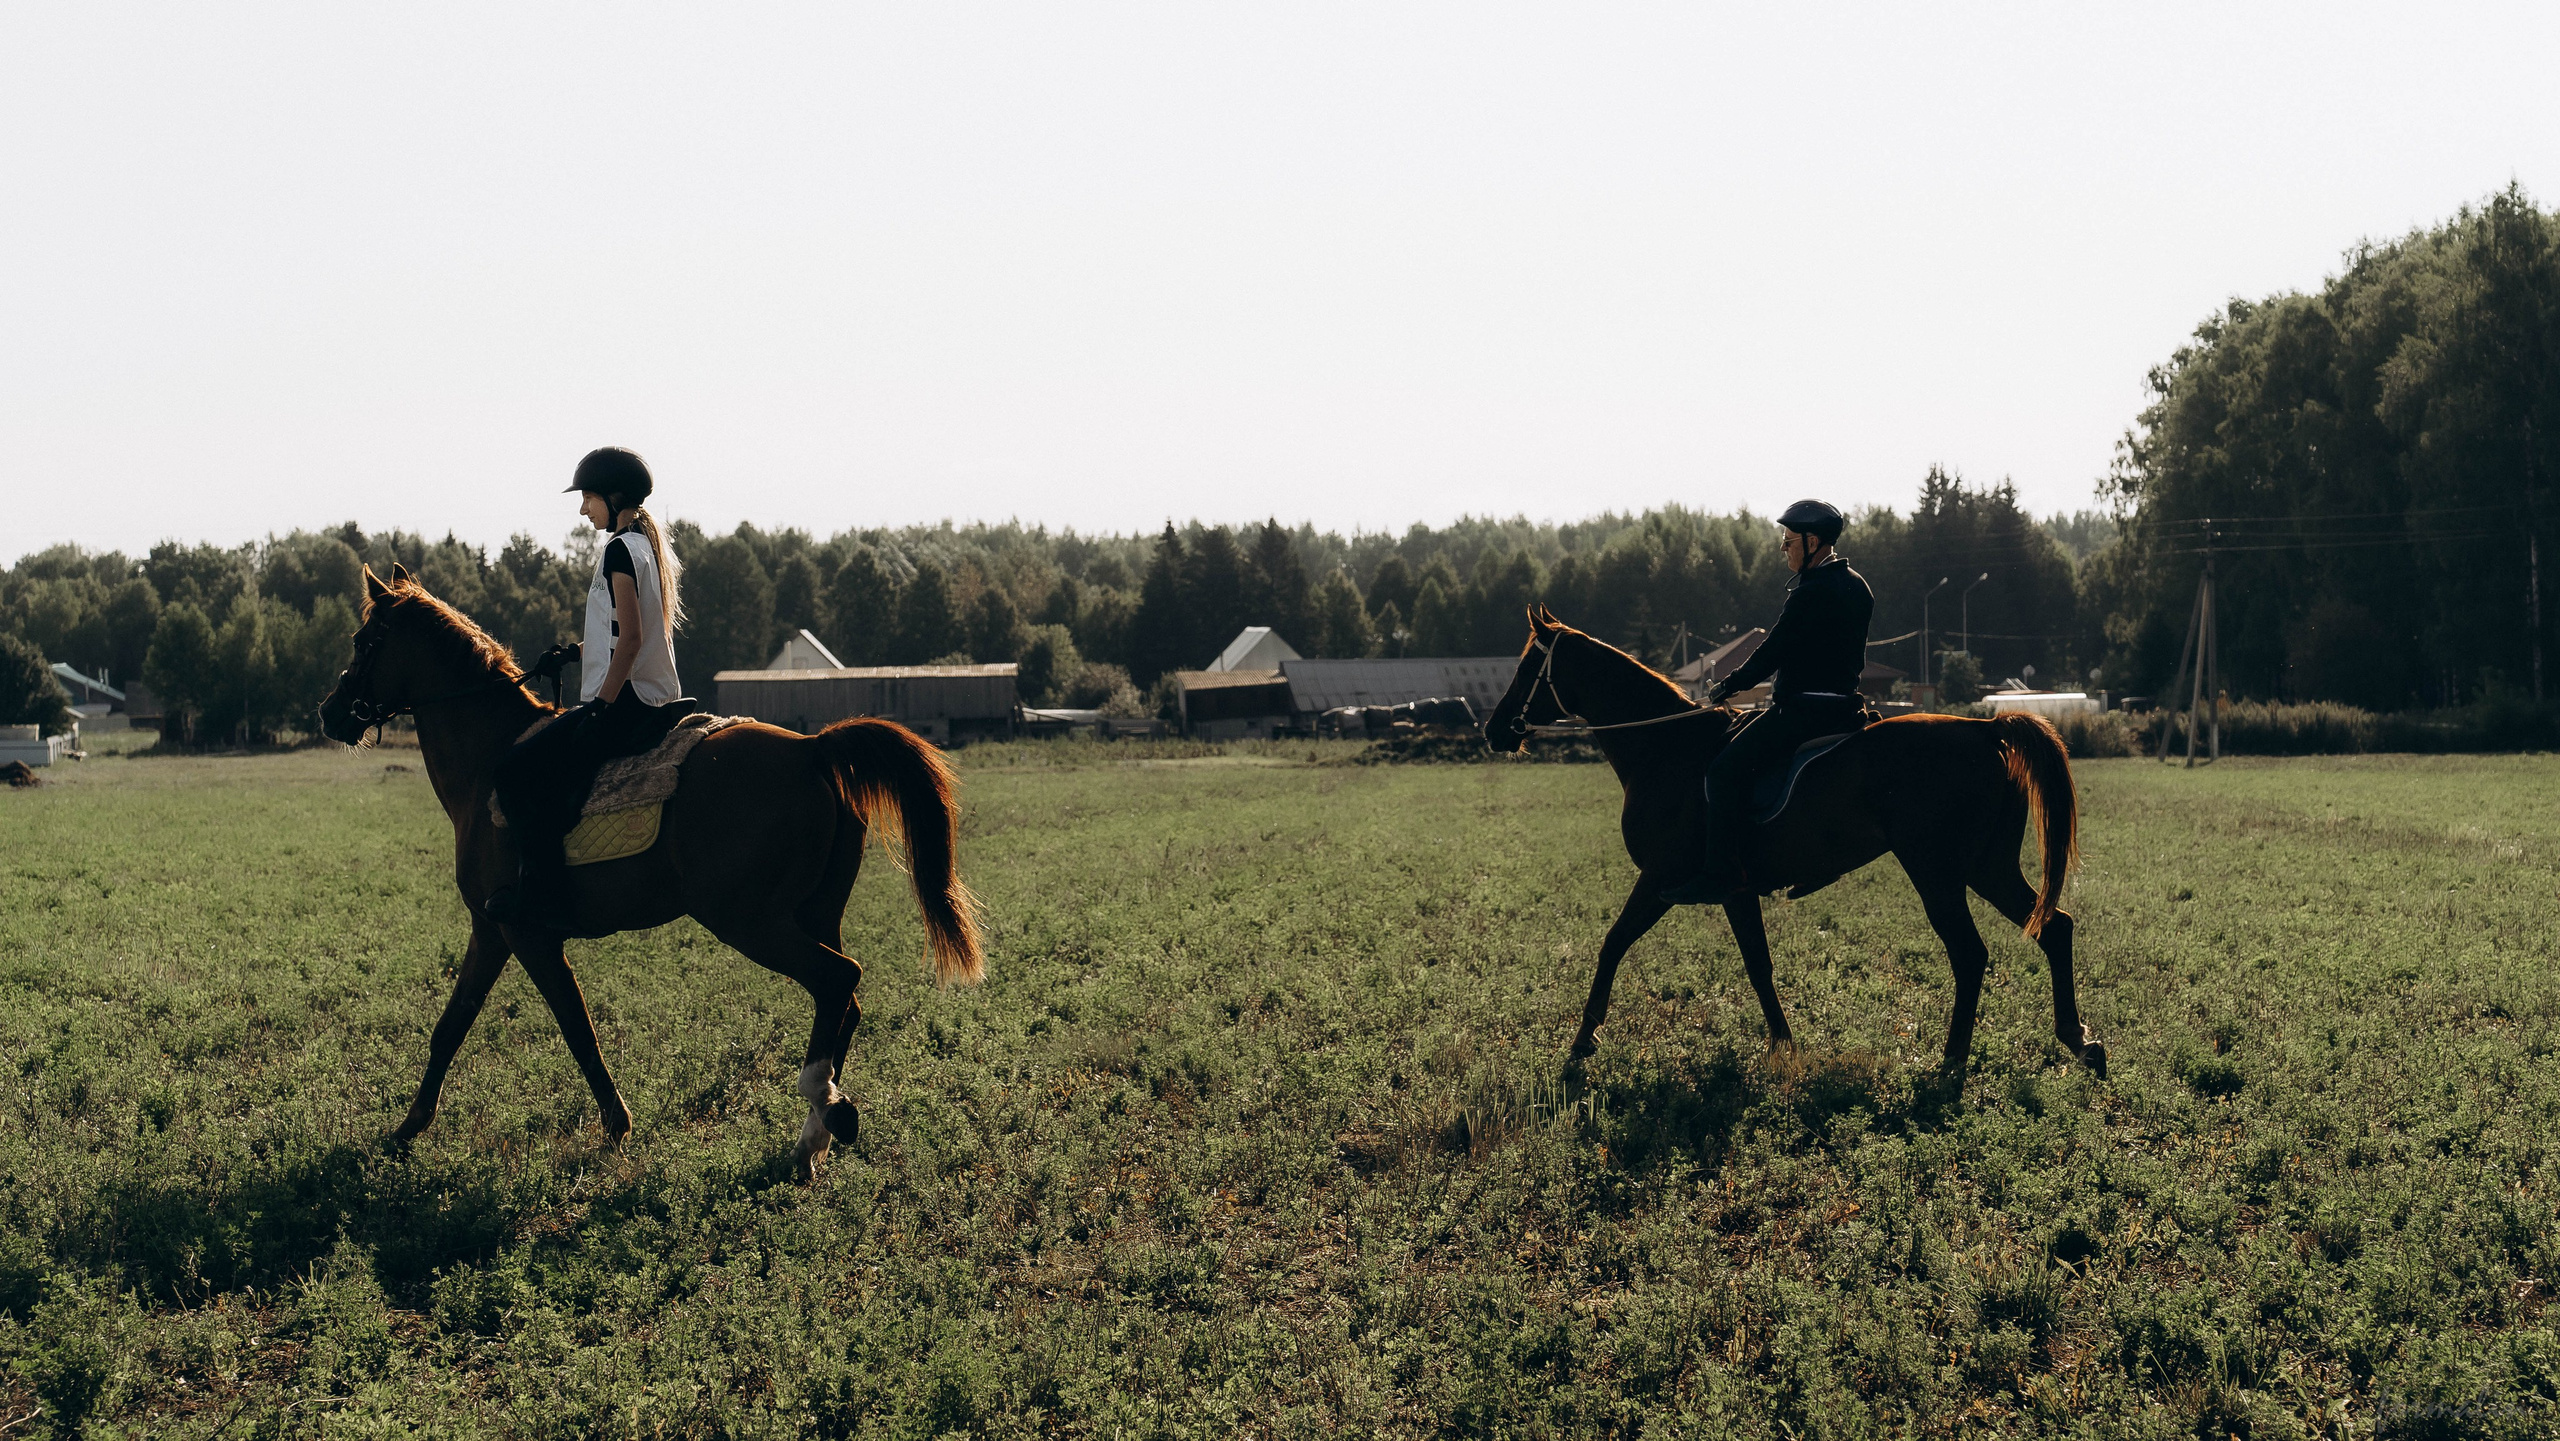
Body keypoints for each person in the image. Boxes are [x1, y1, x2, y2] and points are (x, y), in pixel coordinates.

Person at [485, 448, 693, 927]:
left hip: (626, 704)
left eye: (588, 499)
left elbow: (634, 639)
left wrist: (601, 704)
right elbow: (623, 630)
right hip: (648, 697)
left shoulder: (620, 549)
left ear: (613, 496)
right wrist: (575, 653)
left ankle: (543, 898)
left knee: (514, 773)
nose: (583, 510)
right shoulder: (644, 546)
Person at [1661, 499, 1874, 905]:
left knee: (1724, 772)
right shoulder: (1857, 585)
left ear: (1813, 541)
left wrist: (1729, 685)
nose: (1783, 548)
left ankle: (1720, 873)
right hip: (1844, 706)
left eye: (1788, 540)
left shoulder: (1811, 592)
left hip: (1803, 711)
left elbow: (1773, 651)